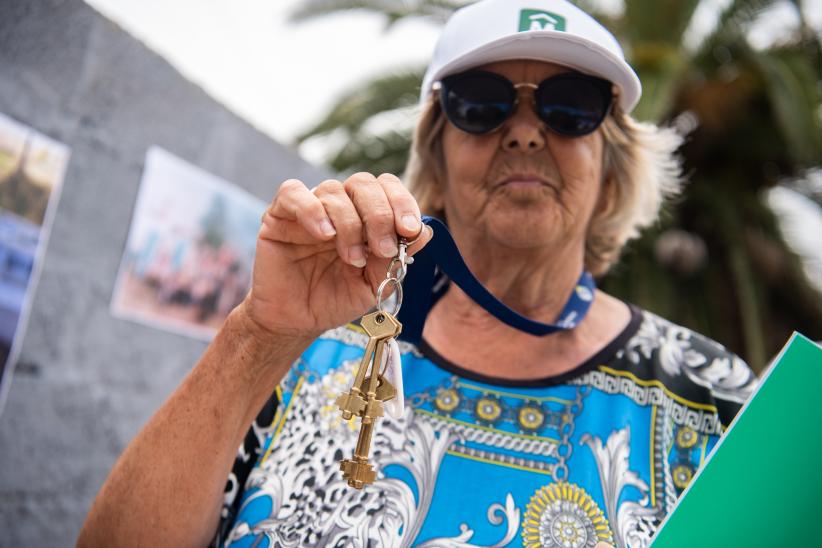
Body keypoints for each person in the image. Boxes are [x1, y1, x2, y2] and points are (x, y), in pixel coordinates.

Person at [78, 0, 757, 546]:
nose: (525, 133)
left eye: (571, 106)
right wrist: (257, 334)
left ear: (612, 169)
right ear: (436, 155)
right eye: (482, 102)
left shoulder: (710, 396)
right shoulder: (303, 349)